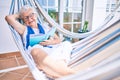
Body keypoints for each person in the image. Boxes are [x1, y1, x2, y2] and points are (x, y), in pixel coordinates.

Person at [5, 5, 77, 79]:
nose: (30, 19)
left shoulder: (45, 26)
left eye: (31, 15)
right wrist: (20, 14)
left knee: (67, 44)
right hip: (39, 51)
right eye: (26, 18)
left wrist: (50, 42)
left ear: (36, 15)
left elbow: (58, 40)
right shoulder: (24, 29)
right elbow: (8, 18)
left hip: (52, 49)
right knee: (35, 51)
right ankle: (71, 75)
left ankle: (53, 70)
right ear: (23, 19)